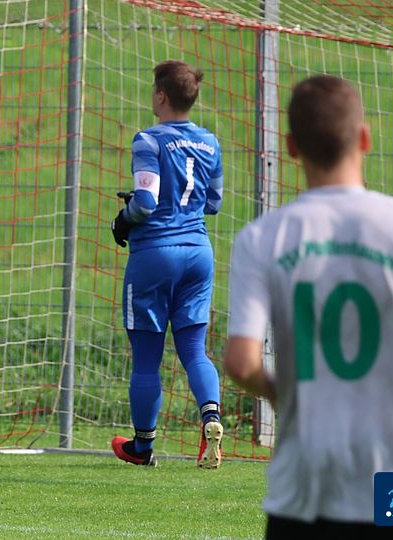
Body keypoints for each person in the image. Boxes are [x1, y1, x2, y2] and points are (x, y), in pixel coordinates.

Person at [225, 75, 393, 537]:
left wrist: (285, 392)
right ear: (364, 138)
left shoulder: (262, 238)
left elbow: (241, 363)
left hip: (306, 481)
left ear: (291, 147)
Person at [109, 60, 225, 468]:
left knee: (146, 358)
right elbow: (213, 203)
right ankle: (211, 418)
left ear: (161, 96)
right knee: (194, 349)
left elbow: (145, 202)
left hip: (155, 255)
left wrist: (122, 221)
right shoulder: (210, 142)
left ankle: (142, 447)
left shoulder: (149, 140)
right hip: (198, 253)